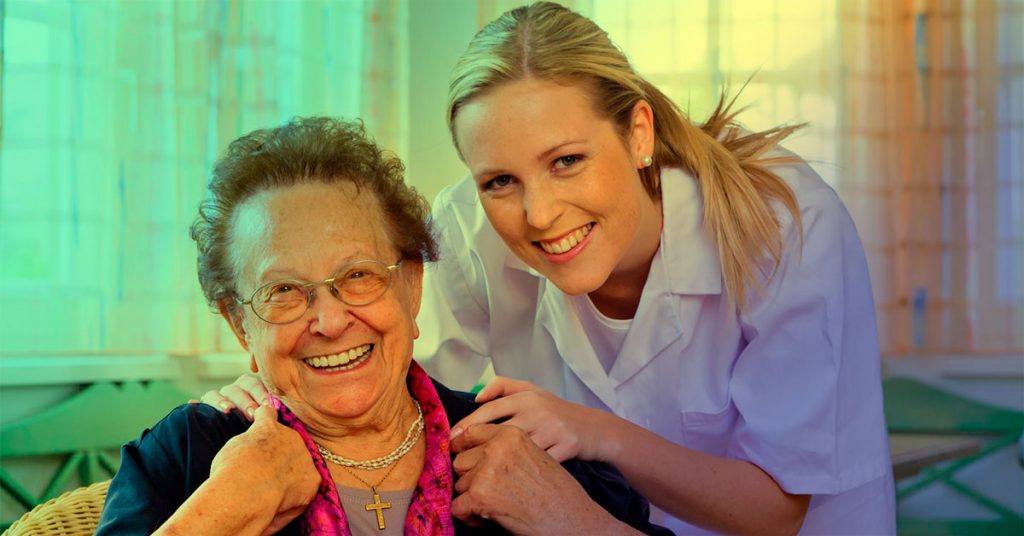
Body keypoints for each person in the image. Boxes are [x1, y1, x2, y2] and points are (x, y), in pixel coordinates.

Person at [204, 3, 895, 534]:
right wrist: (277, 378)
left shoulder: (783, 222)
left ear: (640, 132)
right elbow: (389, 379)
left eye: (567, 161)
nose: (537, 213)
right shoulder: (469, 233)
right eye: (499, 180)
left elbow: (776, 512)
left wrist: (592, 431)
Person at [95, 117, 672, 536]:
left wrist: (571, 522)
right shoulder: (190, 457)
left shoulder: (520, 449)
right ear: (240, 324)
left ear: (412, 286)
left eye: (359, 275)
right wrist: (225, 511)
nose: (329, 319)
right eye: (284, 292)